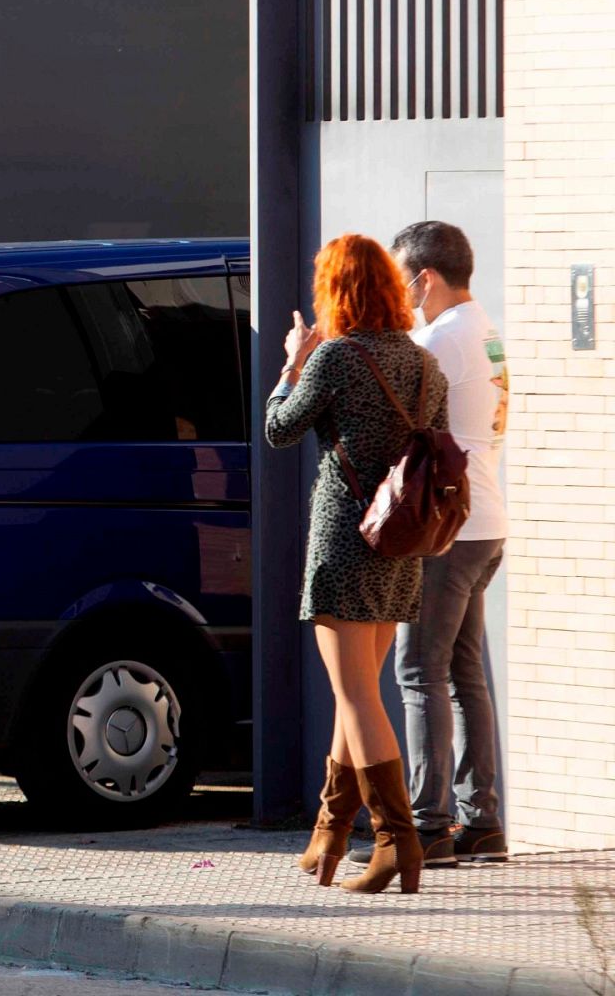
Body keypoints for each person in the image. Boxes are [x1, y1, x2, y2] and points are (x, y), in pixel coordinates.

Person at [265, 234, 450, 895]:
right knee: (360, 697)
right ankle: (331, 834)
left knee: (356, 698)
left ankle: (398, 843)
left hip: (346, 540)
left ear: (335, 291)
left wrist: (292, 363)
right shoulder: (427, 365)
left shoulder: (336, 358)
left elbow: (279, 430)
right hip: (401, 546)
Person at [343, 221, 508, 868]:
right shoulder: (485, 331)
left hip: (447, 532)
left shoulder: (440, 339)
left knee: (419, 672)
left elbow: (392, 407)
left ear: (427, 277)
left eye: (406, 282)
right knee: (464, 673)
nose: (404, 296)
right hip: (484, 524)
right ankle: (482, 821)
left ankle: (431, 825)